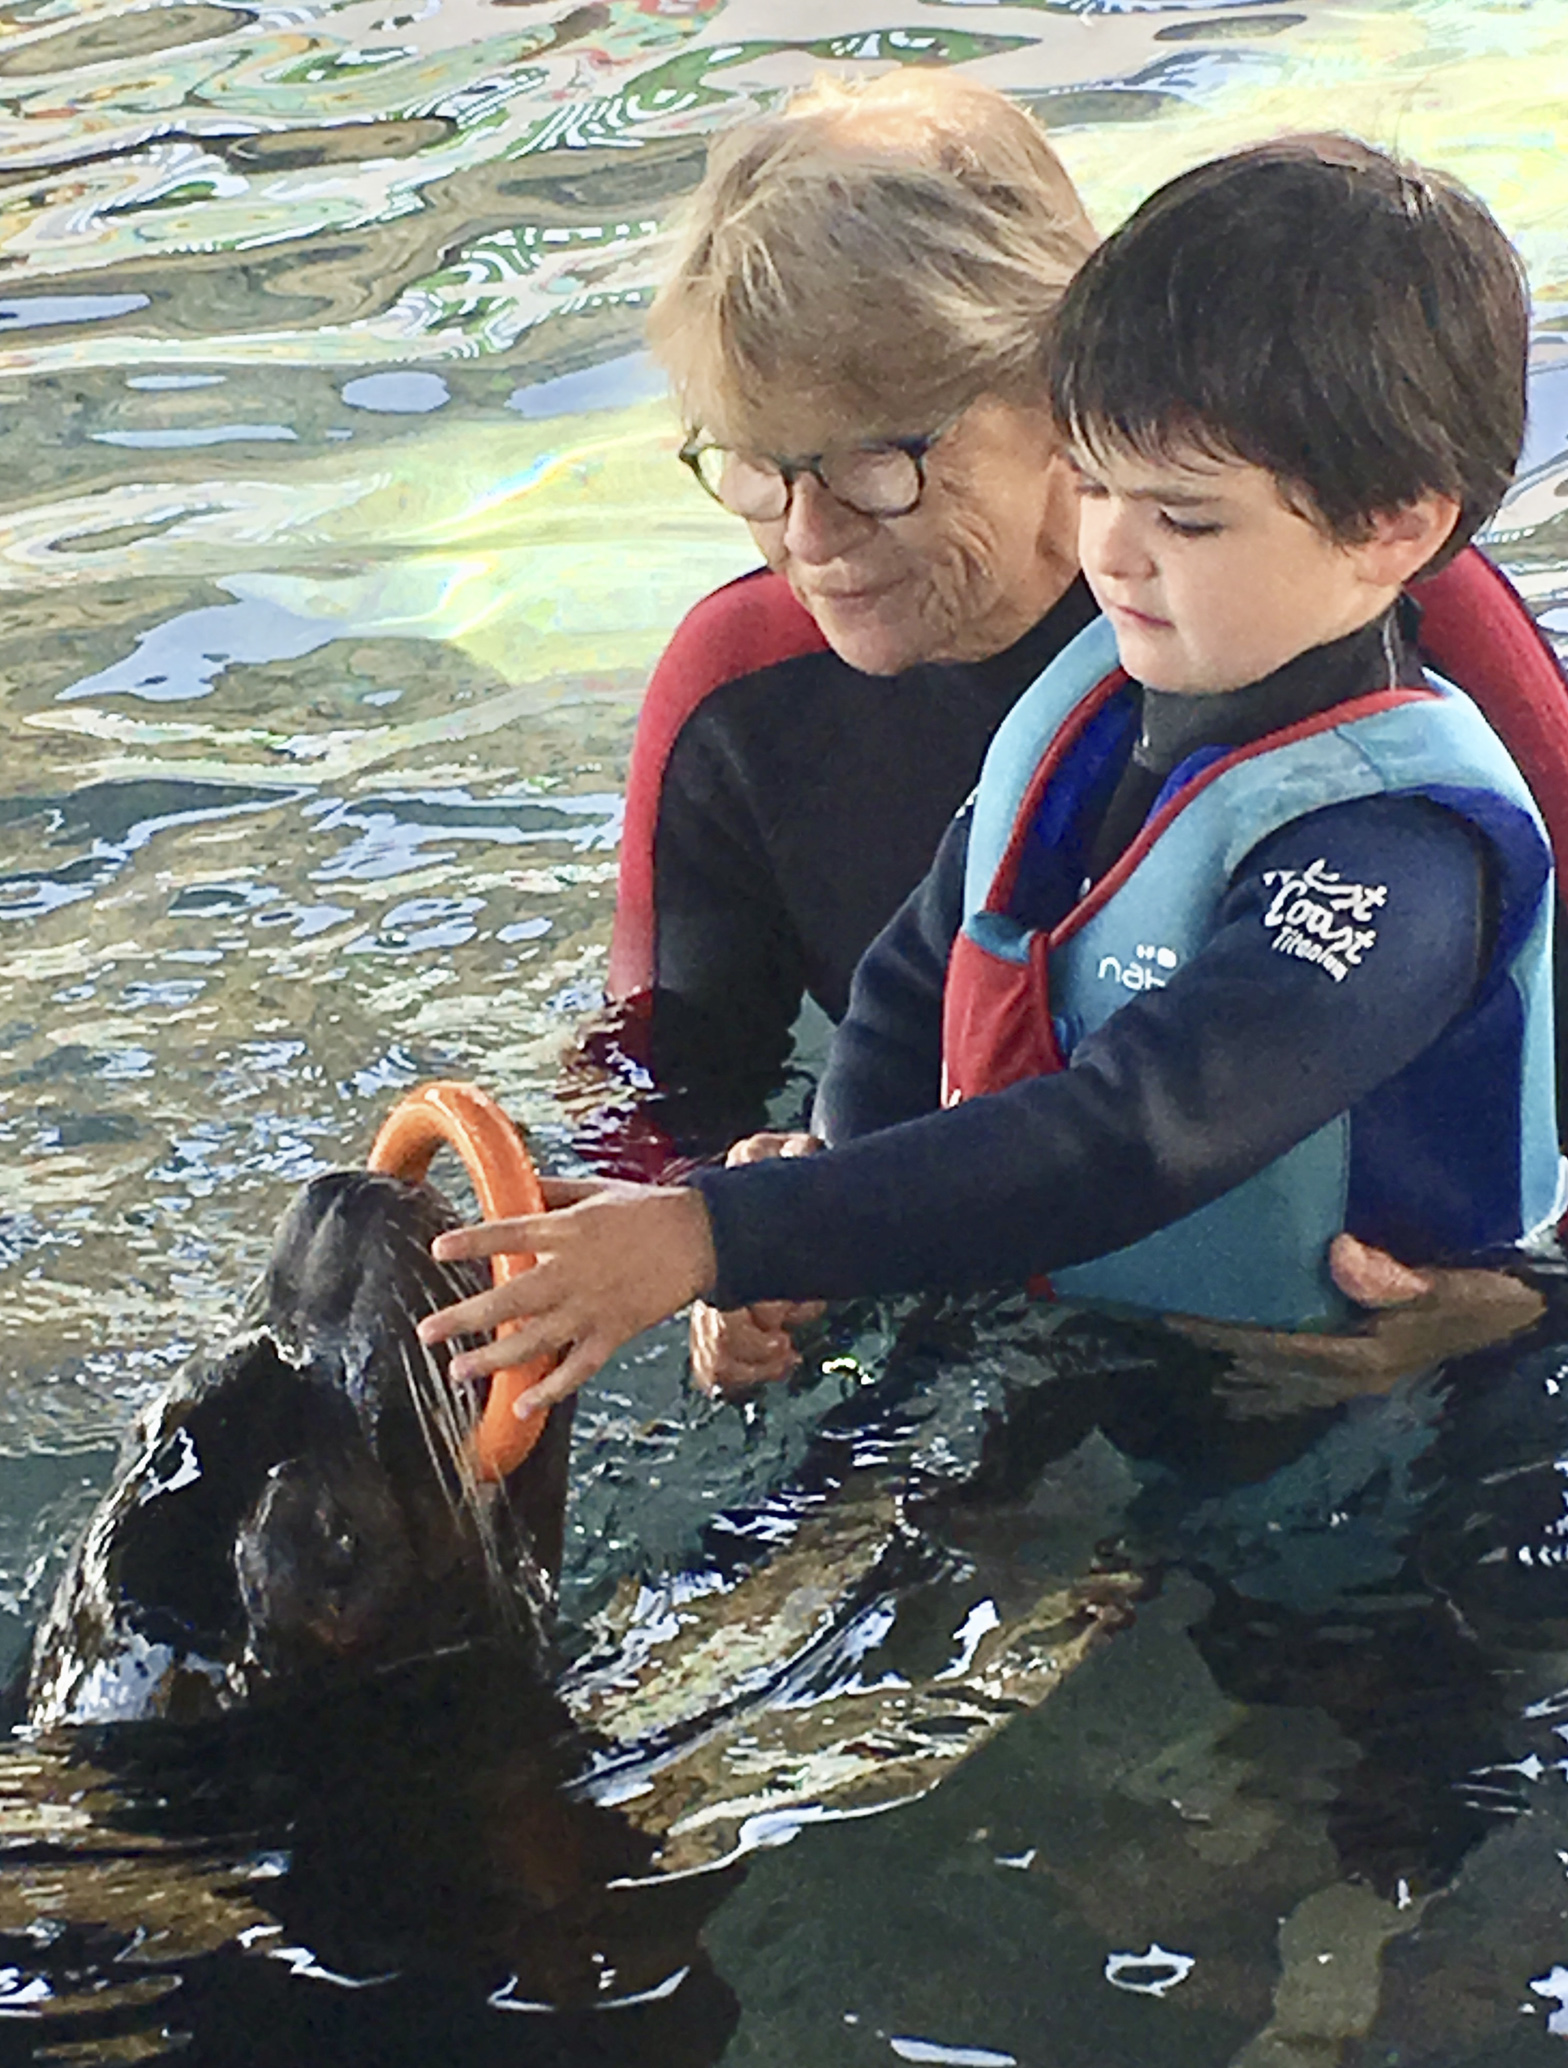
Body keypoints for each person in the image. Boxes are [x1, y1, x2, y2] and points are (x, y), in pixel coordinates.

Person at [423, 135, 1560, 1409]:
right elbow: (917, 974)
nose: (1113, 554)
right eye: (756, 468)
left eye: (876, 462)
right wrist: (794, 1216)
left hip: (1380, 1418)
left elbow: (1139, 1128)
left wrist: (723, 1233)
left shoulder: (1394, 834)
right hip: (1065, 1338)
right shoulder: (1089, 701)